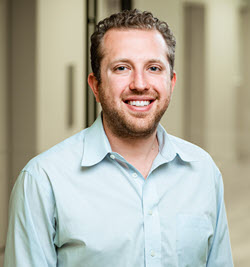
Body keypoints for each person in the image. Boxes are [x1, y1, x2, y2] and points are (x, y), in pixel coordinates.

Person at [4, 9, 233, 267]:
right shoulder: (43, 181)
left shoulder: (203, 171)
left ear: (171, 82)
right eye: (122, 68)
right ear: (95, 85)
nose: (139, 83)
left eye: (154, 68)